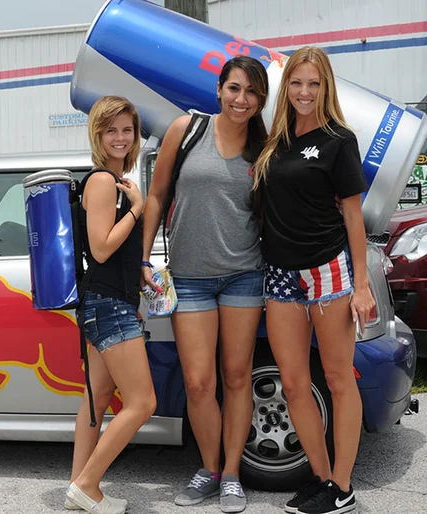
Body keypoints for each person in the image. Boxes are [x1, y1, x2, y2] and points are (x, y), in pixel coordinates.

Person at [140, 55, 270, 513]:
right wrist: (143, 256)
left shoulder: (265, 147)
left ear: (261, 100)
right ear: (219, 90)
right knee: (198, 382)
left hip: (244, 276)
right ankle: (209, 469)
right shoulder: (186, 129)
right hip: (189, 279)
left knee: (237, 377)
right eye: (235, 88)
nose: (242, 99)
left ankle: (232, 474)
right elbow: (157, 195)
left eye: (252, 92)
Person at [253, 46, 374, 514]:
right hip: (279, 275)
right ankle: (321, 479)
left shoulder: (339, 140)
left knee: (339, 379)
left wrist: (360, 285)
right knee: (294, 382)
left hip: (328, 272)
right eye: (297, 83)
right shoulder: (274, 140)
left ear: (326, 87)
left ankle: (343, 486)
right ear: (288, 88)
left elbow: (353, 217)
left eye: (314, 83)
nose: (305, 92)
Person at [65, 96, 157, 514]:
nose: (121, 137)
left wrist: (137, 272)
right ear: (98, 135)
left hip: (106, 302)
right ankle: (87, 485)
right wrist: (138, 209)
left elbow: (114, 254)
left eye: (127, 130)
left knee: (98, 397)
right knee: (142, 403)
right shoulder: (102, 181)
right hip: (107, 306)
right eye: (111, 130)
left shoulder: (117, 181)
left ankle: (77, 487)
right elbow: (101, 248)